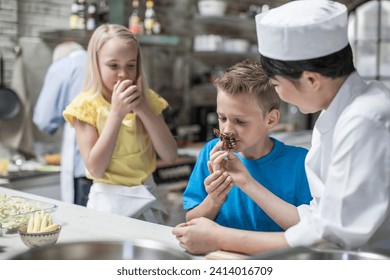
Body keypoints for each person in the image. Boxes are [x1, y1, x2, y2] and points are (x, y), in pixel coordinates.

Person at [173, 0, 390, 255]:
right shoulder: (338, 115)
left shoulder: (365, 120)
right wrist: (244, 181)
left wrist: (220, 238)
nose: (279, 94)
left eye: (276, 84)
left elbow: (331, 238)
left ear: (311, 79)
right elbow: (316, 220)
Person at [63, 24, 177, 223]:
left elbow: (169, 155)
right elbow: (96, 168)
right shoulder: (85, 107)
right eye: (113, 66)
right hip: (107, 208)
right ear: (96, 64)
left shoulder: (149, 101)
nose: (123, 74)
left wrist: (142, 108)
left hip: (146, 200)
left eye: (130, 65)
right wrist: (116, 114)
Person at [182, 59, 312, 232]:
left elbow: (310, 229)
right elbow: (191, 221)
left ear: (271, 119)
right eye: (222, 118)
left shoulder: (300, 163)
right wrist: (214, 199)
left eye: (240, 121)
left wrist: (247, 183)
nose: (227, 130)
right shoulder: (210, 153)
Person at [33, 41, 92, 206]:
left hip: (82, 164)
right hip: (114, 166)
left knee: (84, 223)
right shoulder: (99, 61)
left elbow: (44, 119)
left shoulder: (63, 65)